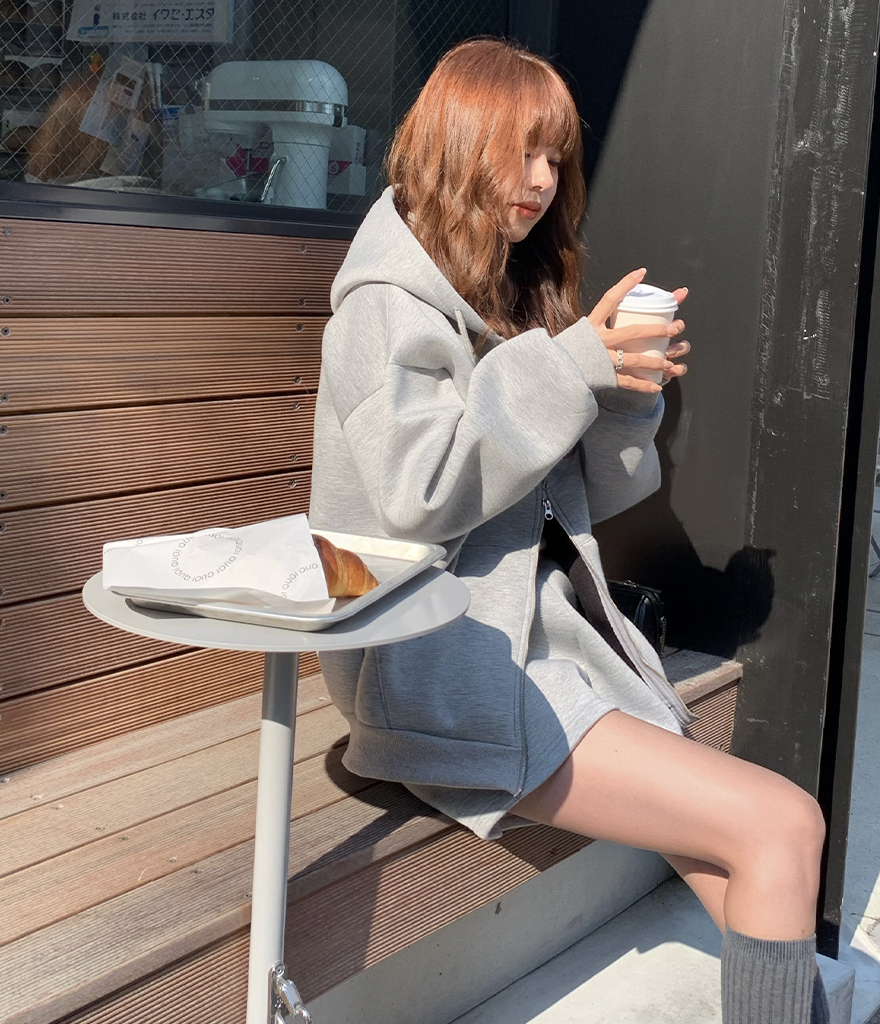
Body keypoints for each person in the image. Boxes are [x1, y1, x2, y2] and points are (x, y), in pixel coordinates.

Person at [309, 39, 829, 1024]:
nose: (543, 180)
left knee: (759, 852)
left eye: (555, 157)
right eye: (522, 151)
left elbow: (590, 493)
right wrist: (573, 362)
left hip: (535, 644)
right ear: (458, 142)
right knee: (781, 824)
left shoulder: (504, 289)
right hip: (433, 662)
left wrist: (624, 396)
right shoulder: (383, 307)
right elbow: (419, 492)